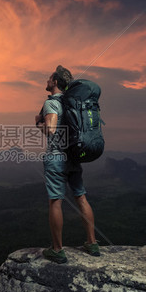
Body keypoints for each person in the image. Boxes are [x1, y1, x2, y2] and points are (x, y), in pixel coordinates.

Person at [35, 65, 100, 264]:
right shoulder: (71, 102)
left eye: (49, 78)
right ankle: (92, 243)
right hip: (73, 156)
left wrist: (39, 124)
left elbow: (51, 129)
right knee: (81, 197)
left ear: (55, 82)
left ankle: (57, 250)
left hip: (56, 158)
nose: (46, 81)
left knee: (56, 201)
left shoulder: (52, 103)